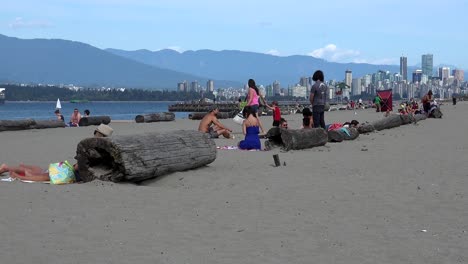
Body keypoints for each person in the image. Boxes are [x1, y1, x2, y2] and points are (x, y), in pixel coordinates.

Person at [1, 124, 113, 182]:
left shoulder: (90, 146)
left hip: (69, 166)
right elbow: (79, 166)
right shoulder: (97, 151)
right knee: (42, 176)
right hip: (73, 171)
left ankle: (8, 168)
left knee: (41, 171)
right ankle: (17, 175)